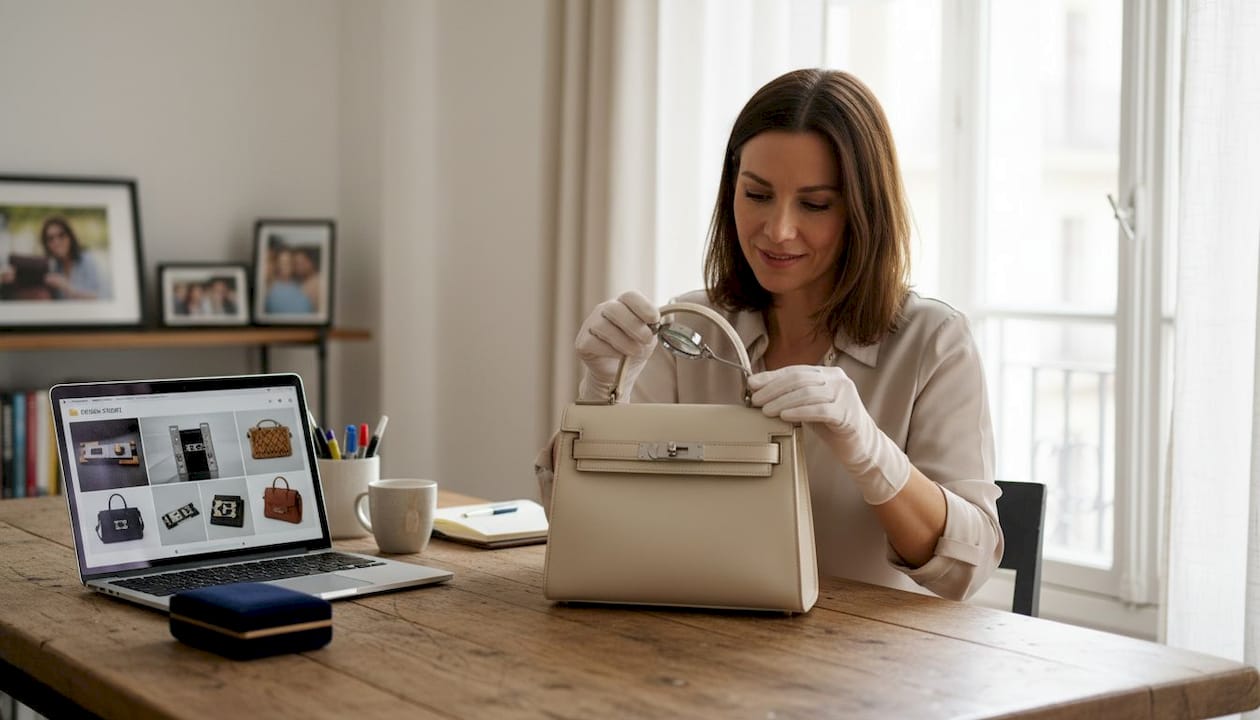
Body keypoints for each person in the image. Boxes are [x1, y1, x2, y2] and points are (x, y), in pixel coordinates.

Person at [535, 68, 1002, 601]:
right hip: (693, 647)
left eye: (815, 204)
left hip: (871, 667)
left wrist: (870, 450)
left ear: (863, 211)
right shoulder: (688, 329)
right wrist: (601, 393)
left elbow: (968, 570)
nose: (778, 230)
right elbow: (580, 525)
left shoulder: (933, 342)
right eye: (757, 194)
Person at [0, 217, 106, 300]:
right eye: (50, 238)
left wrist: (68, 289)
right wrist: (12, 277)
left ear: (70, 236)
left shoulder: (87, 259)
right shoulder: (52, 266)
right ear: (46, 244)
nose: (56, 242)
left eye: (61, 235)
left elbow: (100, 297)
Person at [264, 246, 314, 314]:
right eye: (281, 263)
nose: (285, 266)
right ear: (277, 265)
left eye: (288, 262)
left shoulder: (301, 286)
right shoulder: (270, 288)